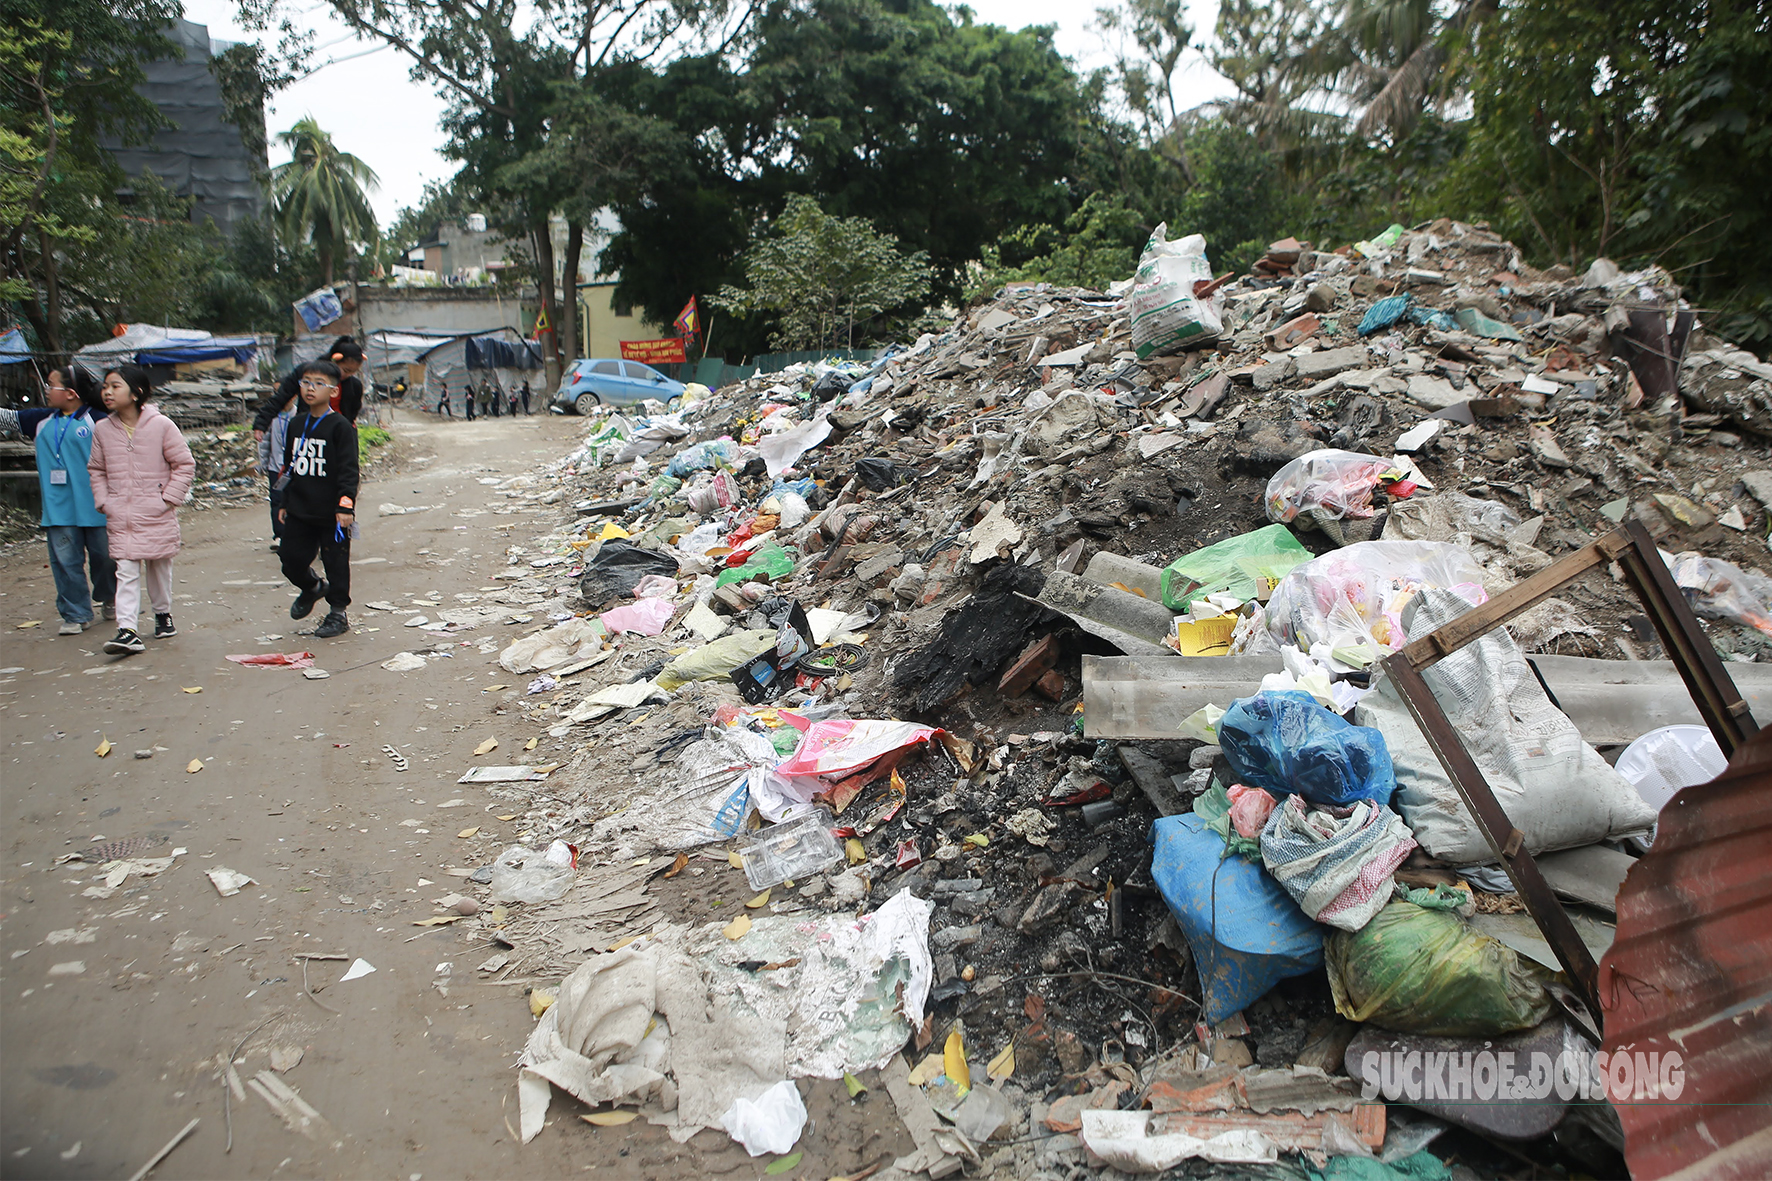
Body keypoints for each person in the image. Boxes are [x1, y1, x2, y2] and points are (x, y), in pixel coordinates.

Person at [88, 364, 194, 655]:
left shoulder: (161, 425)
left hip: (156, 511)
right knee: (125, 570)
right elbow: (96, 469)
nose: (107, 392)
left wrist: (168, 499)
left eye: (114, 386)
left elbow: (184, 464)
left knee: (159, 567)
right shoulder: (102, 429)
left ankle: (163, 614)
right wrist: (104, 501)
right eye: (105, 386)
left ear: (136, 393)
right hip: (120, 514)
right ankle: (127, 630)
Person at [0, 369, 115, 633]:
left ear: (71, 393)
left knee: (106, 559)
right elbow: (5, 418)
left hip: (99, 506)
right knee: (65, 561)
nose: (45, 389)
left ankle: (110, 596)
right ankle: (76, 614)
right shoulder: (39, 420)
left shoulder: (100, 421)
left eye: (51, 385)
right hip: (58, 507)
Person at [277, 360, 359, 640]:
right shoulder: (296, 424)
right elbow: (289, 467)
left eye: (318, 383)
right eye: (306, 382)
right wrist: (284, 502)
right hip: (300, 507)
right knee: (290, 559)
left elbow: (349, 469)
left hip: (333, 512)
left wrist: (345, 504)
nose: (310, 388)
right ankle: (312, 586)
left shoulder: (340, 426)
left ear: (334, 391)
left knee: (336, 561)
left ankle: (338, 613)